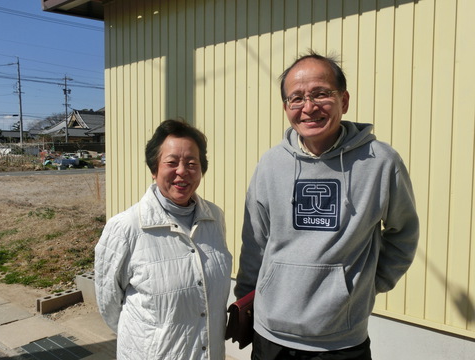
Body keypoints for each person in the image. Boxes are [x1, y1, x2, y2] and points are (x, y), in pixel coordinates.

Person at [235, 51, 419, 360]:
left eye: (321, 94)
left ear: (344, 100)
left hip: (341, 341)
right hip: (271, 335)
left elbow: (404, 233)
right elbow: (255, 240)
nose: (308, 107)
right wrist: (246, 296)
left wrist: (365, 287)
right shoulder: (270, 164)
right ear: (286, 108)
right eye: (296, 98)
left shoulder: (381, 162)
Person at [95, 119, 233, 360]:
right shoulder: (126, 227)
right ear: (154, 168)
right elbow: (109, 304)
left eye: (192, 163)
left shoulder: (214, 218)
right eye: (171, 162)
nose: (182, 171)